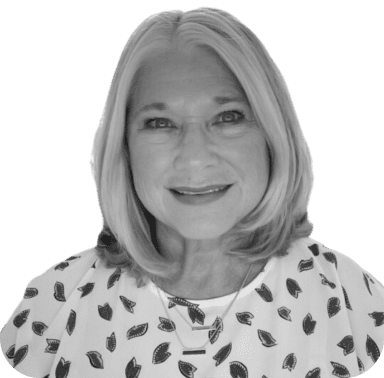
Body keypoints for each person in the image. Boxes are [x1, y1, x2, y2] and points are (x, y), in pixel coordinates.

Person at [1, 6, 383, 377]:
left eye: (228, 117)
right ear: (124, 147)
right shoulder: (54, 306)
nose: (195, 159)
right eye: (160, 123)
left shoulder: (354, 305)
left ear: (272, 135)